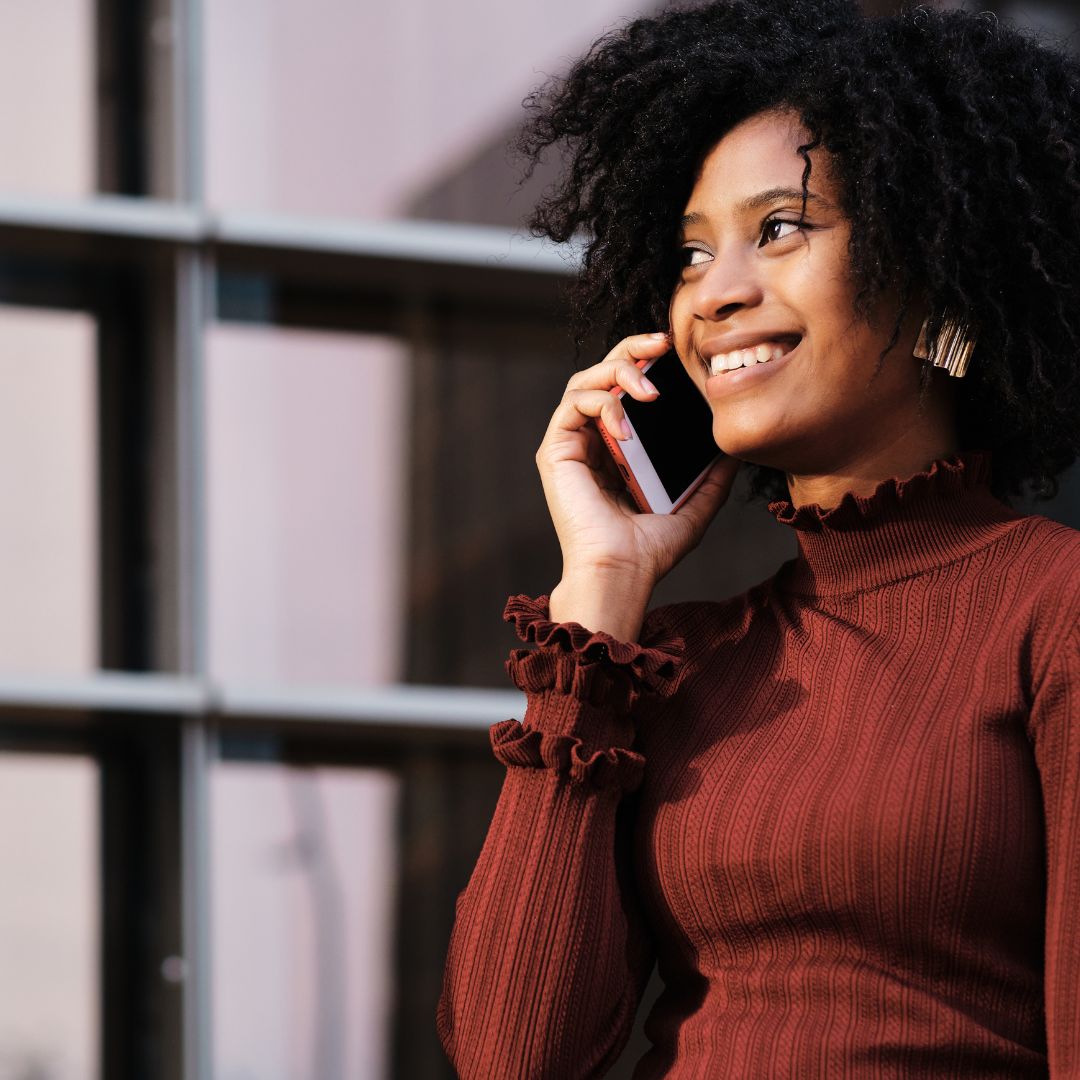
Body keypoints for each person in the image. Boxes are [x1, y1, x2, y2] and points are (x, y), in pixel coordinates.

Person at [436, 1, 1080, 1075]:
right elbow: (513, 1056)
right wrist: (598, 597)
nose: (718, 295)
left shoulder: (1052, 610)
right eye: (691, 254)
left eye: (780, 229)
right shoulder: (676, 661)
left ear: (937, 269)